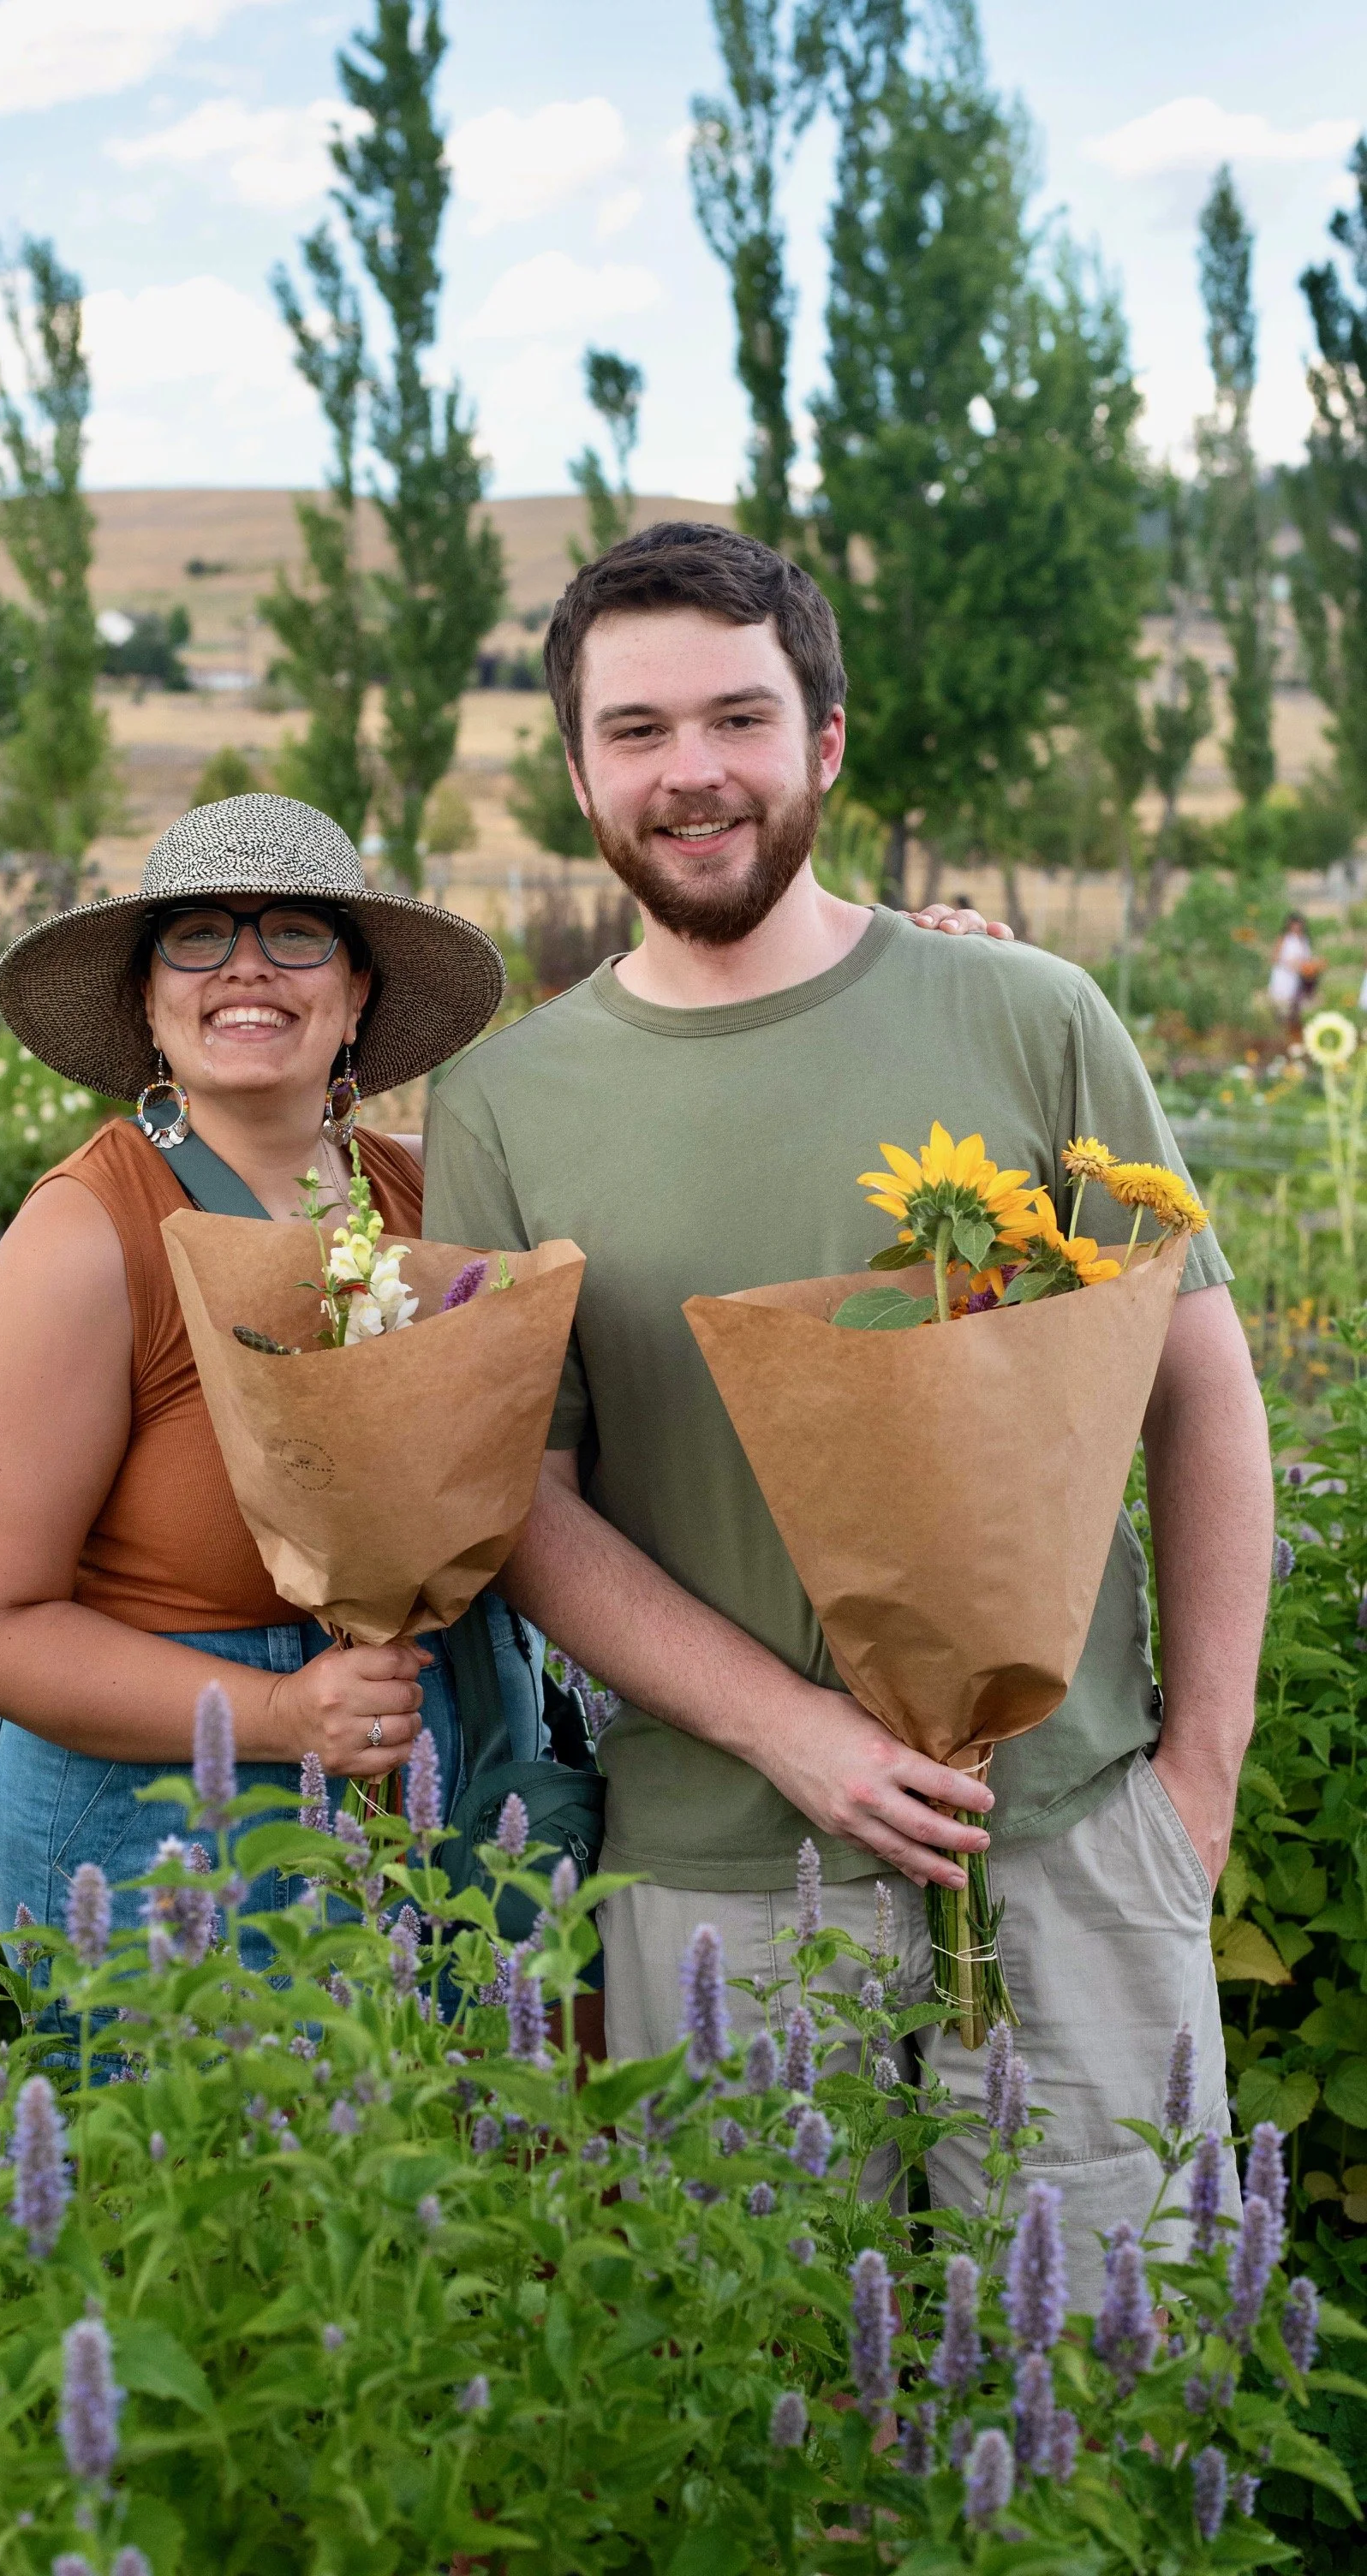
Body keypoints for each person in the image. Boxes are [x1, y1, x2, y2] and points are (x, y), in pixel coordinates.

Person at [422, 522, 1271, 2299]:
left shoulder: (1024, 1013)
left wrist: (1190, 1779)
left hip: (1059, 1839)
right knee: (758, 2428)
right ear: (575, 772)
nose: (690, 772)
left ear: (820, 741)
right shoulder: (503, 1106)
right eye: (635, 730)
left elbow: (1194, 1391)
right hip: (711, 1872)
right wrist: (791, 1733)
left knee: (1107, 2407)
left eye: (736, 717)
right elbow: (522, 1499)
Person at [0, 793, 546, 1971]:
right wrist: (279, 1716)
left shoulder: (426, 1199)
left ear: (357, 991)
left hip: (414, 1793)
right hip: (161, 1832)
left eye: (296, 932)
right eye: (198, 934)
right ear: (149, 1003)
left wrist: (913, 958)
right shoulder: (87, 1236)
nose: (245, 967)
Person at [1269, 911, 1316, 1041]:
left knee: (1296, 1007)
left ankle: (1294, 1033)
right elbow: (1274, 957)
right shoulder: (1284, 938)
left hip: (1299, 977)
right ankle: (1280, 1033)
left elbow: (1307, 958)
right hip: (1284, 976)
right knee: (1282, 1005)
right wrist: (1289, 963)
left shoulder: (1304, 939)